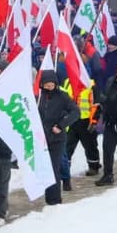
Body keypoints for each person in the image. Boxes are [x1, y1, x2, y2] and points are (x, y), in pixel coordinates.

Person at [36, 71, 78, 204]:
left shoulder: (62, 96)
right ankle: (49, 196)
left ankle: (54, 200)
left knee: (53, 168)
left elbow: (75, 112)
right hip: (41, 137)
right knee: (44, 168)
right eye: (46, 85)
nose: (49, 87)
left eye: (51, 85)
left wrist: (61, 125)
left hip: (57, 138)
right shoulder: (39, 97)